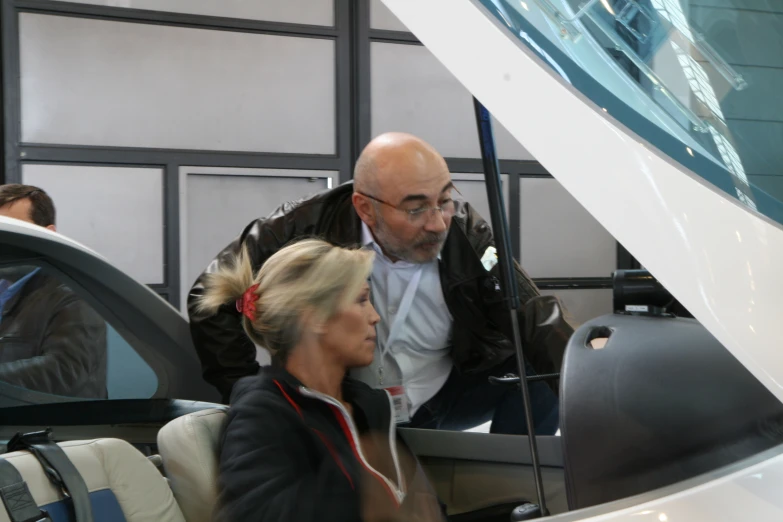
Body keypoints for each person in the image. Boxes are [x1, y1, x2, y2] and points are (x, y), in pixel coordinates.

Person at [189, 132, 573, 435]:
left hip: (443, 394)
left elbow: (531, 314)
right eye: (416, 208)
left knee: (541, 370)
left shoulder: (467, 235)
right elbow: (210, 297)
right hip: (349, 405)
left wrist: (597, 384)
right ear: (365, 208)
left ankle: (516, 487)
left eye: (444, 200)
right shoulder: (298, 228)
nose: (438, 223)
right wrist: (251, 395)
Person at [196, 239, 445, 522]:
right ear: (314, 317)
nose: (374, 316)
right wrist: (363, 497)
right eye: (361, 300)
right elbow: (254, 515)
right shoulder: (264, 410)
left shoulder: (369, 404)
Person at [0, 184, 107, 398]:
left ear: (48, 235)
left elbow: (66, 369)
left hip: (61, 427)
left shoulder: (73, 293)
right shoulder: (5, 287)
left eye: (12, 232)